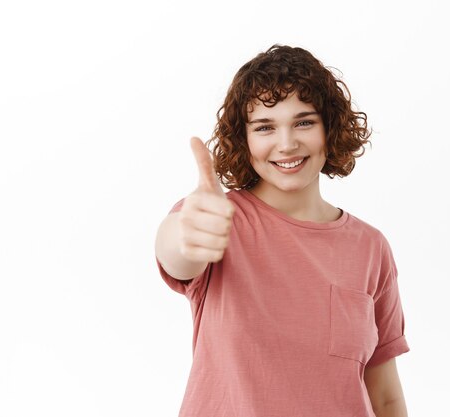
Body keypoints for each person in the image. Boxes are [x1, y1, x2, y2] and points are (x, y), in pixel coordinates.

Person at [154, 44, 410, 417]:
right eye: (265, 127)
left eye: (304, 122)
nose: (286, 143)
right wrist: (186, 234)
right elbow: (178, 254)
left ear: (329, 128)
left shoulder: (370, 248)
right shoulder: (219, 219)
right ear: (245, 140)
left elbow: (385, 395)